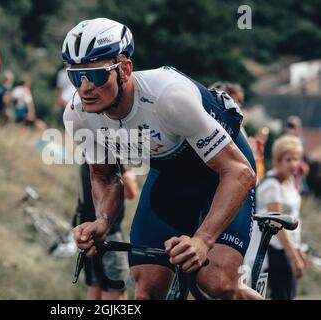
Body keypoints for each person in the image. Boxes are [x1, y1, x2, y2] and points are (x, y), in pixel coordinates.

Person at [62, 18, 261, 300]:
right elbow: (104, 175)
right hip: (171, 178)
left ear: (125, 69)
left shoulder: (168, 97)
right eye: (75, 76)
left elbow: (239, 172)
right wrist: (103, 221)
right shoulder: (77, 115)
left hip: (223, 174)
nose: (84, 88)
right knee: (147, 289)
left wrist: (203, 240)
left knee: (217, 284)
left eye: (94, 75)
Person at [74, 161, 138, 300]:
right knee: (116, 293)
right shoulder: (113, 154)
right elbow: (131, 192)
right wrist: (130, 177)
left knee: (95, 289)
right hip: (108, 235)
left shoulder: (89, 154)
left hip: (89, 233)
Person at [254, 135, 307, 299]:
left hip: (288, 247)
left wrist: (298, 249)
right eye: (288, 159)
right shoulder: (272, 185)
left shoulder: (289, 181)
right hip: (275, 248)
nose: (293, 164)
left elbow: (294, 216)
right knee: (282, 294)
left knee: (288, 293)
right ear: (278, 160)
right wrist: (294, 256)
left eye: (296, 159)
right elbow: (279, 225)